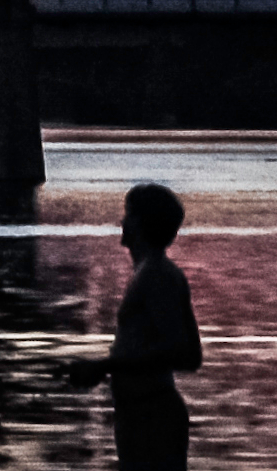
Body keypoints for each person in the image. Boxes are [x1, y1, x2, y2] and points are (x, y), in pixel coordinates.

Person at [63, 181, 200, 470]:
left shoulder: (155, 276)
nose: (122, 221)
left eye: (128, 214)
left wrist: (104, 366)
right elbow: (191, 354)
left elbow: (180, 350)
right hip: (142, 414)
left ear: (140, 223)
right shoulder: (157, 273)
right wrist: (108, 368)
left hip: (151, 417)